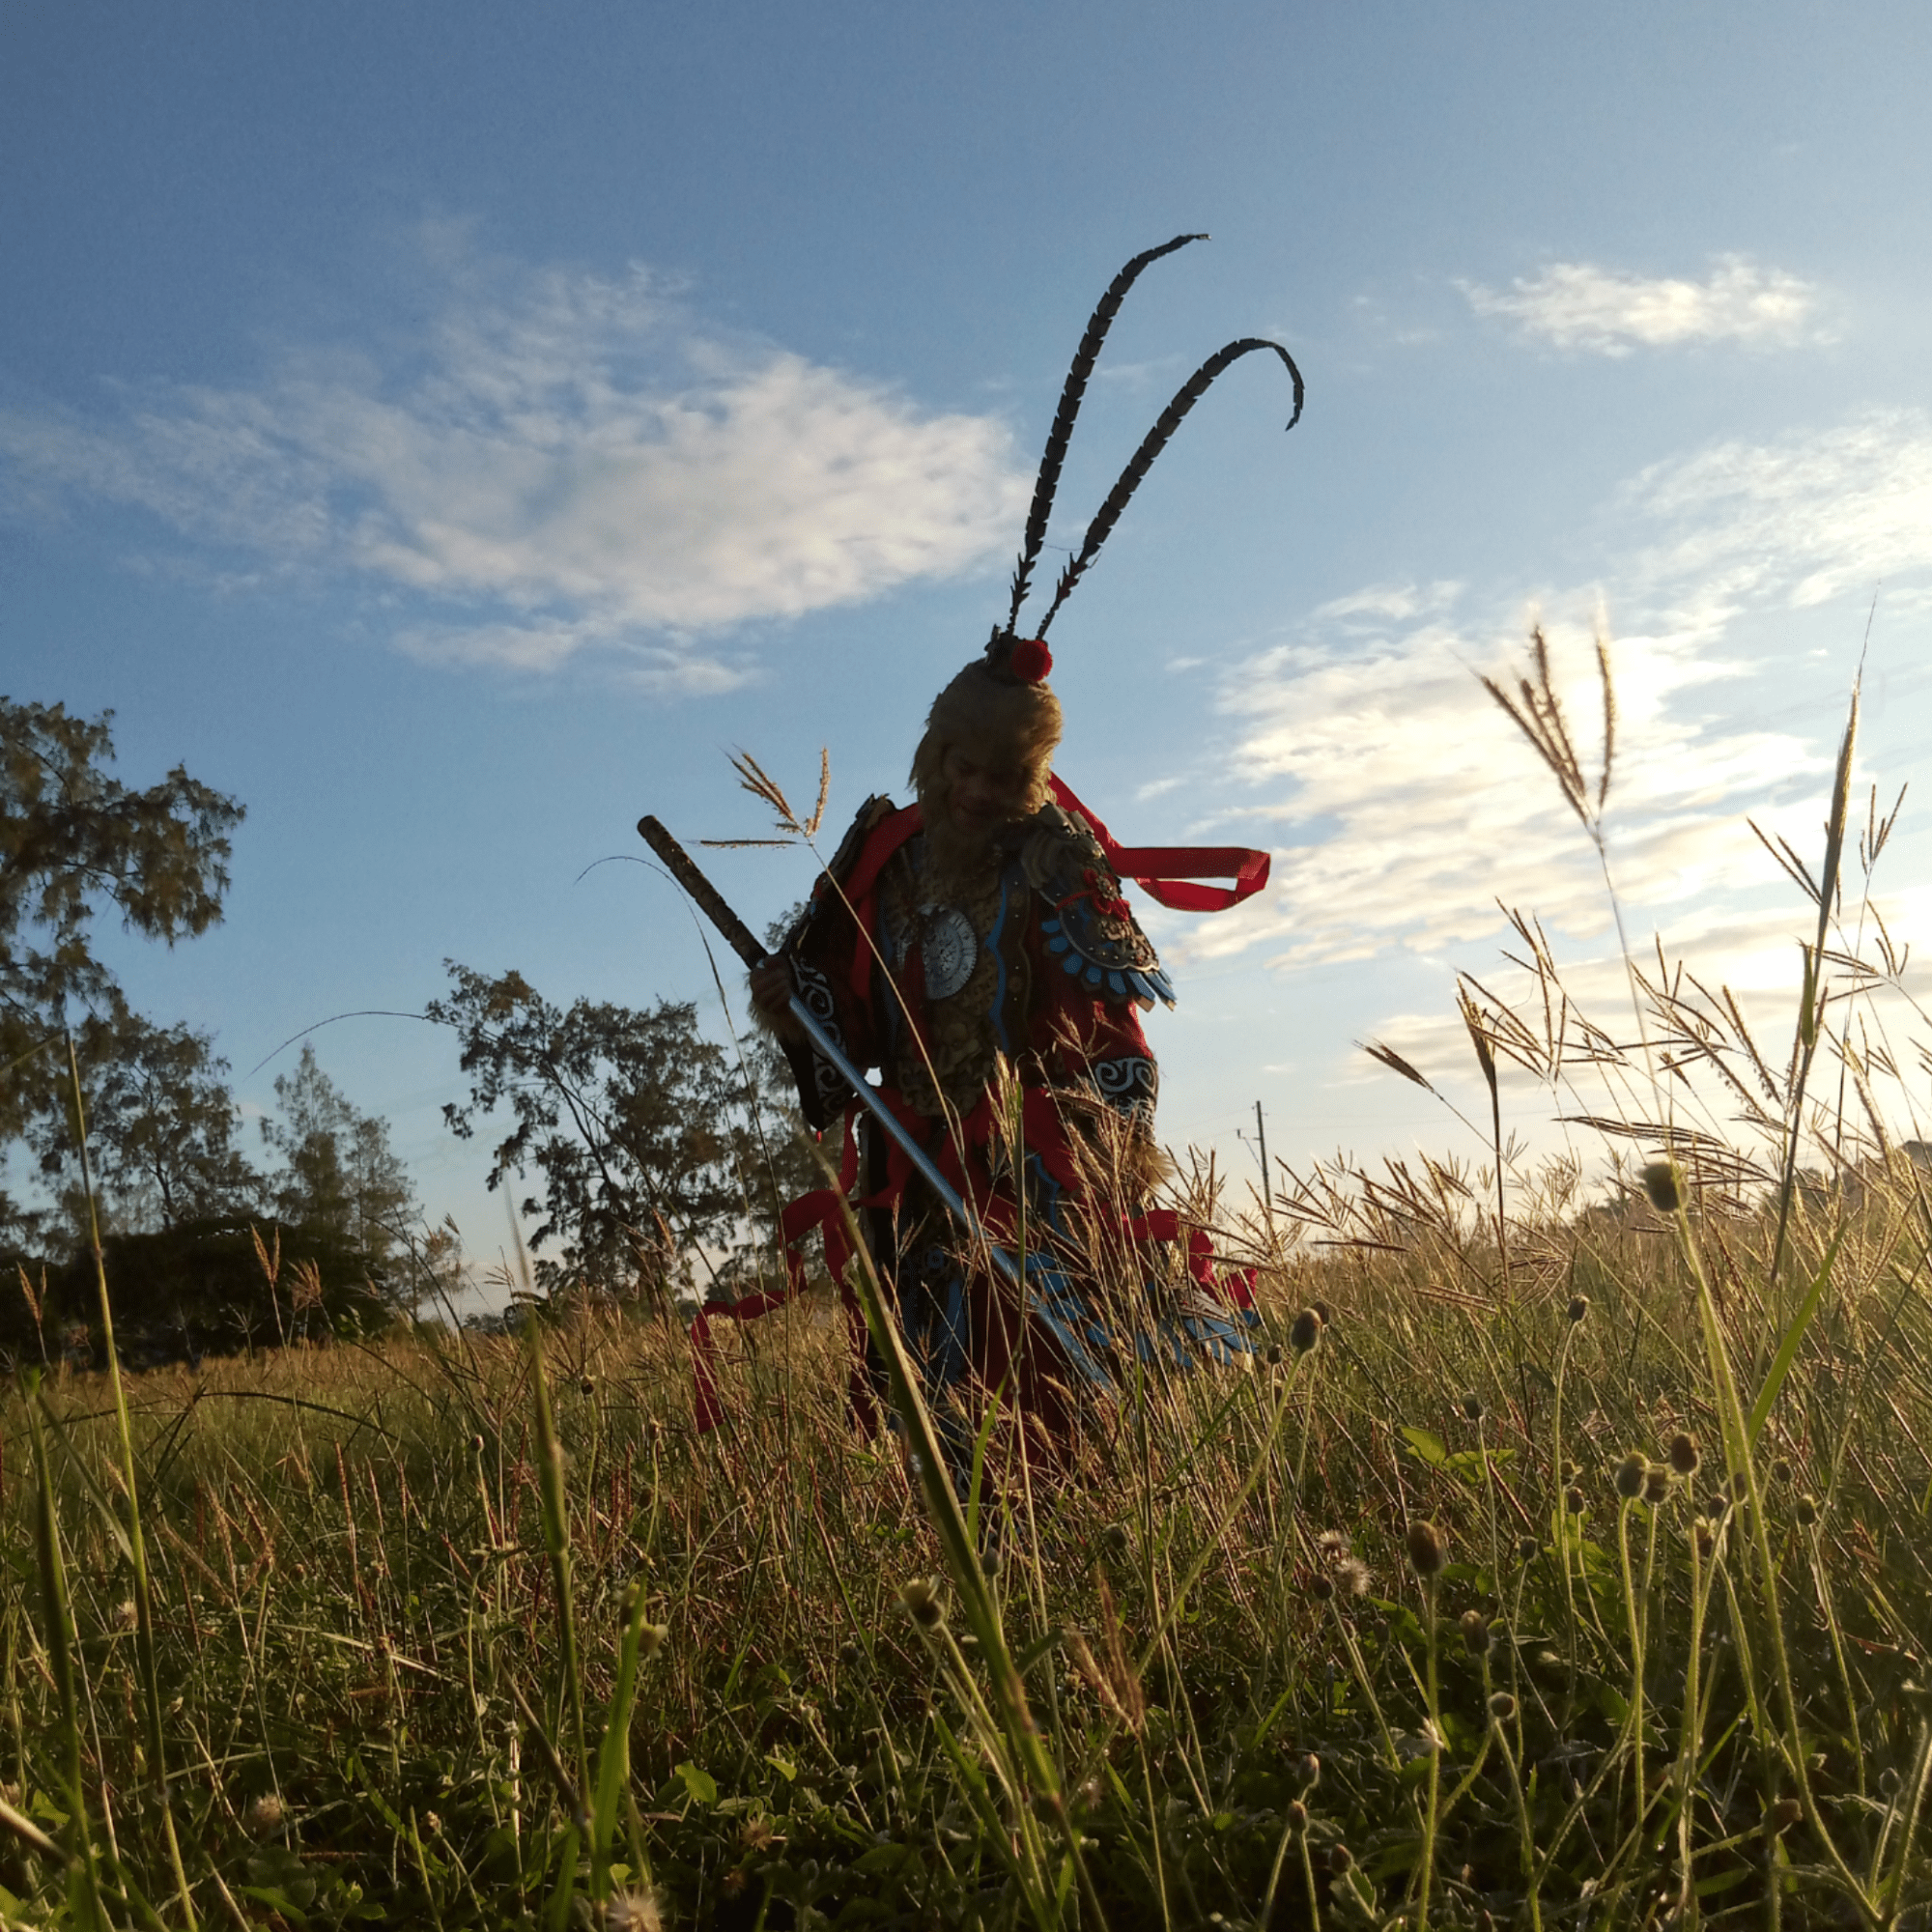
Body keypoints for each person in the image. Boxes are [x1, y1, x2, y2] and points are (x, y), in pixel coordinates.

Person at [744, 631, 1264, 1473]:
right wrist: (795, 1004)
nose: (980, 793)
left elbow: (1115, 1048)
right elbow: (857, 1031)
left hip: (1031, 1179)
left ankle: (1068, 1526)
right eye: (965, 769)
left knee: (1048, 1401)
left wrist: (1077, 1158)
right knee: (934, 1403)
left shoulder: (1056, 863)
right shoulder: (884, 859)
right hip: (914, 1184)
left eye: (1005, 775)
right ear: (936, 756)